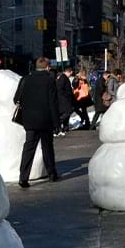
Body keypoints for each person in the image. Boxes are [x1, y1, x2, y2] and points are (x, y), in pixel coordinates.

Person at [16, 57, 59, 188]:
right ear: (47, 67)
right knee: (47, 148)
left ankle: (23, 177)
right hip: (45, 120)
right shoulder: (50, 81)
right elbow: (53, 103)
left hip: (29, 121)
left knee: (28, 148)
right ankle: (52, 173)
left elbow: (16, 99)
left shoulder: (25, 80)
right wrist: (57, 123)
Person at [55, 66, 77, 136]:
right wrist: (67, 94)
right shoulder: (63, 78)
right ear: (69, 72)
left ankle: (65, 127)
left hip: (65, 99)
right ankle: (57, 125)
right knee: (67, 112)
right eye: (71, 72)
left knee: (67, 114)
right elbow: (60, 89)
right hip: (64, 100)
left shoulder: (64, 78)